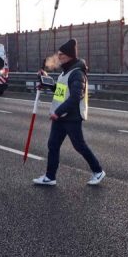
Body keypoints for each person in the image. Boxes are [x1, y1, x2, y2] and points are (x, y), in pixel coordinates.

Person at [33, 39, 106, 187]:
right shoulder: (64, 73)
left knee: (79, 145)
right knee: (53, 145)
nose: (58, 57)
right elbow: (60, 93)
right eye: (58, 55)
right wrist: (46, 82)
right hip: (60, 117)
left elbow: (74, 97)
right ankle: (50, 177)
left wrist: (58, 112)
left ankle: (98, 171)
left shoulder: (77, 73)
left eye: (61, 55)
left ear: (70, 56)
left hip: (71, 117)